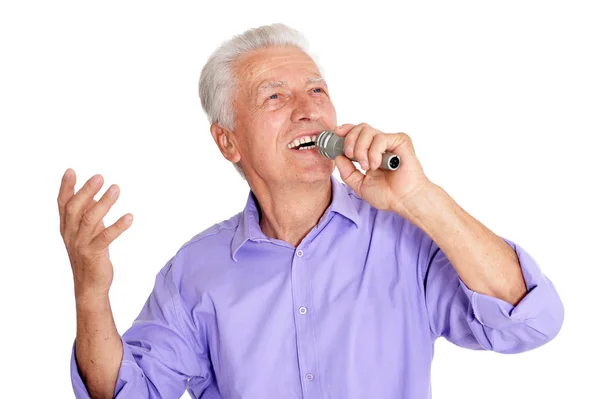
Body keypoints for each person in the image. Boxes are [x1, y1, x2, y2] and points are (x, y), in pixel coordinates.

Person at [60, 23, 564, 399]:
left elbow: (529, 322)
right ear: (228, 141)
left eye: (317, 90)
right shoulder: (194, 274)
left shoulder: (404, 237)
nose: (308, 108)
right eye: (275, 96)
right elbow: (125, 394)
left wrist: (419, 198)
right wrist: (89, 291)